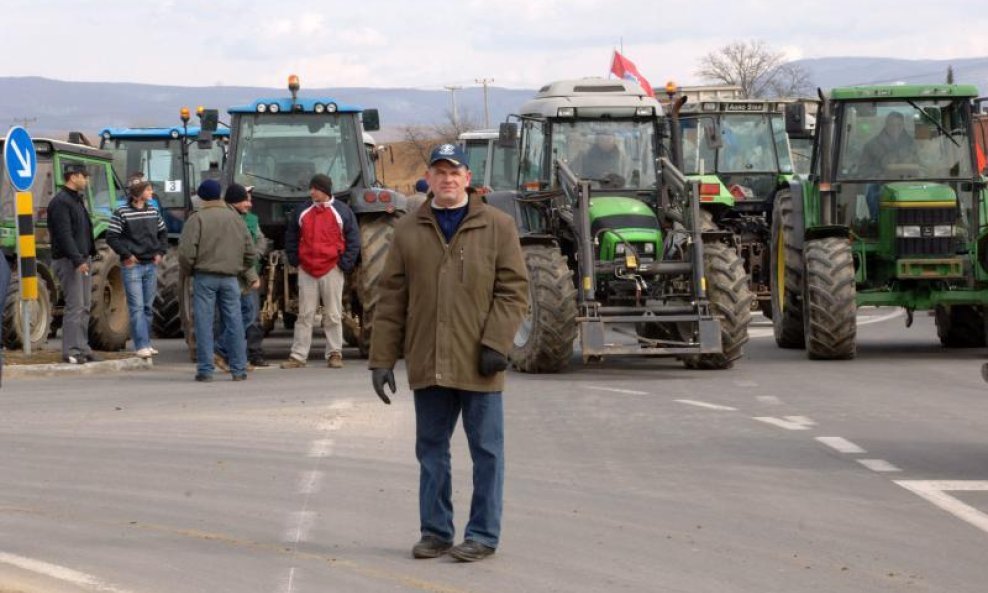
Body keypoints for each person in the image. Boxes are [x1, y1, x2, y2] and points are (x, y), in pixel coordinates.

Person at [369, 143, 529, 562]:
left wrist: (497, 343)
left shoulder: (498, 226)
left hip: (480, 361)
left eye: (454, 171)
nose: (447, 179)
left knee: (487, 454)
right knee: (432, 452)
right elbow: (391, 300)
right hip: (428, 361)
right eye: (439, 171)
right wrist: (381, 359)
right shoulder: (407, 230)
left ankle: (482, 535)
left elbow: (514, 291)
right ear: (430, 179)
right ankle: (436, 531)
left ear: (467, 179)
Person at [178, 179, 258, 382]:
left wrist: (191, 270)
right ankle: (238, 369)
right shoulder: (236, 219)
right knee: (235, 322)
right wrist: (238, 267)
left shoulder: (197, 218)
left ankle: (205, 370)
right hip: (231, 278)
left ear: (202, 197)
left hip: (204, 276)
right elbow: (250, 252)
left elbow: (186, 253)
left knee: (204, 323)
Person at [280, 174, 360, 370]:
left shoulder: (342, 211)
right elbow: (291, 235)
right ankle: (298, 356)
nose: (311, 191)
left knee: (333, 314)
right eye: (312, 188)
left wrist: (344, 264)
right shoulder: (303, 211)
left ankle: (334, 353)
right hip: (307, 269)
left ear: (324, 190)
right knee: (304, 314)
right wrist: (295, 260)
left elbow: (353, 239)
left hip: (332, 268)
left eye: (315, 188)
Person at [106, 179, 168, 358]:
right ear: (139, 193)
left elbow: (162, 232)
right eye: (148, 190)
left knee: (148, 307)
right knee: (137, 307)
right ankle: (140, 345)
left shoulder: (153, 210)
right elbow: (112, 237)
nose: (151, 193)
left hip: (151, 264)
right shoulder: (122, 212)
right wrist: (127, 255)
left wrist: (160, 252)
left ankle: (146, 343)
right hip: (133, 266)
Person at [215, 184, 270, 370]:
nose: (249, 203)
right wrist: (251, 271)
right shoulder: (231, 221)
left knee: (248, 317)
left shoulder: (251, 220)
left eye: (250, 199)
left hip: (247, 273)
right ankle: (223, 352)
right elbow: (238, 253)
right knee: (237, 317)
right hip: (239, 276)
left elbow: (260, 242)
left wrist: (255, 254)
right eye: (246, 199)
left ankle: (239, 356)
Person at [48, 163, 98, 365]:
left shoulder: (77, 200)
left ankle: (83, 347)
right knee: (75, 306)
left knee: (85, 306)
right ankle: (70, 350)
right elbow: (64, 234)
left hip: (83, 259)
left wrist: (87, 256)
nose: (86, 180)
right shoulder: (61, 202)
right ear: (74, 176)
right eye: (84, 176)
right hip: (70, 261)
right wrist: (77, 259)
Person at [861, 111, 919, 219]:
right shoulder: (871, 145)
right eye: (892, 125)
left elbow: (924, 164)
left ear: (903, 126)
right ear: (886, 125)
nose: (895, 128)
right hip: (881, 184)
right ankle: (876, 222)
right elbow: (863, 169)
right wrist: (879, 175)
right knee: (871, 189)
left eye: (899, 125)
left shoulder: (914, 144)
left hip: (909, 182)